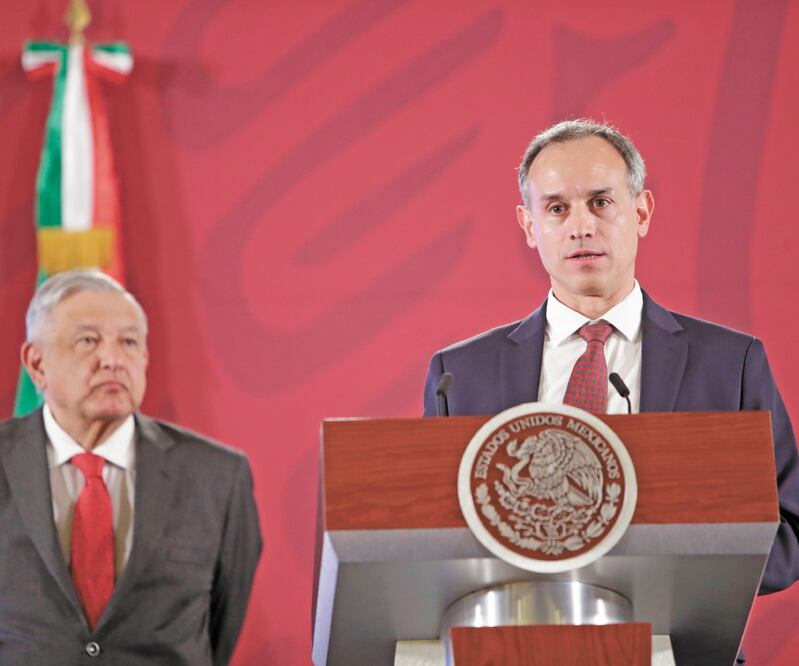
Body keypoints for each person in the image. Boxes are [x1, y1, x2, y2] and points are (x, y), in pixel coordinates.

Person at [423, 119, 799, 599]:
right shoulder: (459, 376)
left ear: (641, 212)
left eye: (601, 203)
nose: (581, 226)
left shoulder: (731, 364)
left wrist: (661, 567)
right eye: (557, 208)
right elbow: (429, 536)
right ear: (529, 226)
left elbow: (788, 532)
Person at [0, 269, 262, 665]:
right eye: (87, 341)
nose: (112, 359)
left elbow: (220, 628)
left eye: (128, 342)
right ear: (37, 363)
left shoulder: (217, 477)